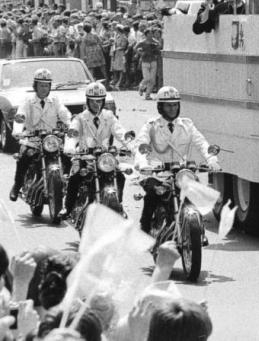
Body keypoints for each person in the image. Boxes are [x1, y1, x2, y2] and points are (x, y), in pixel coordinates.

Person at [132, 86, 219, 233]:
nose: (172, 109)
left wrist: (212, 160)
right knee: (152, 196)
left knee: (194, 195)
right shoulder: (152, 125)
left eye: (175, 105)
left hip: (180, 173)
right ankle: (145, 231)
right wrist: (143, 163)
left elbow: (202, 143)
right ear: (160, 106)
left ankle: (198, 231)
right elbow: (140, 145)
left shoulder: (187, 125)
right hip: (156, 173)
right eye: (168, 105)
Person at [61, 83, 132, 219]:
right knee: (75, 177)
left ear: (103, 101)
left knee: (120, 176)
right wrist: (69, 146)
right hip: (84, 156)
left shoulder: (109, 116)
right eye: (93, 100)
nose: (96, 103)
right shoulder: (80, 118)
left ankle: (118, 205)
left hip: (104, 157)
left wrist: (130, 145)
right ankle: (67, 207)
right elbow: (72, 133)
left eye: (99, 100)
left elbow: (120, 131)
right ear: (87, 101)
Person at [10, 69, 72, 201]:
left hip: (51, 140)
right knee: (24, 158)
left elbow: (64, 113)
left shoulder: (55, 100)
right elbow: (20, 116)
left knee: (68, 156)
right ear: (35, 86)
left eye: (46, 85)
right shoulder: (28, 100)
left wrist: (71, 126)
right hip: (33, 139)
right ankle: (17, 186)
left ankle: (67, 184)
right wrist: (18, 131)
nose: (44, 89)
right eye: (41, 85)